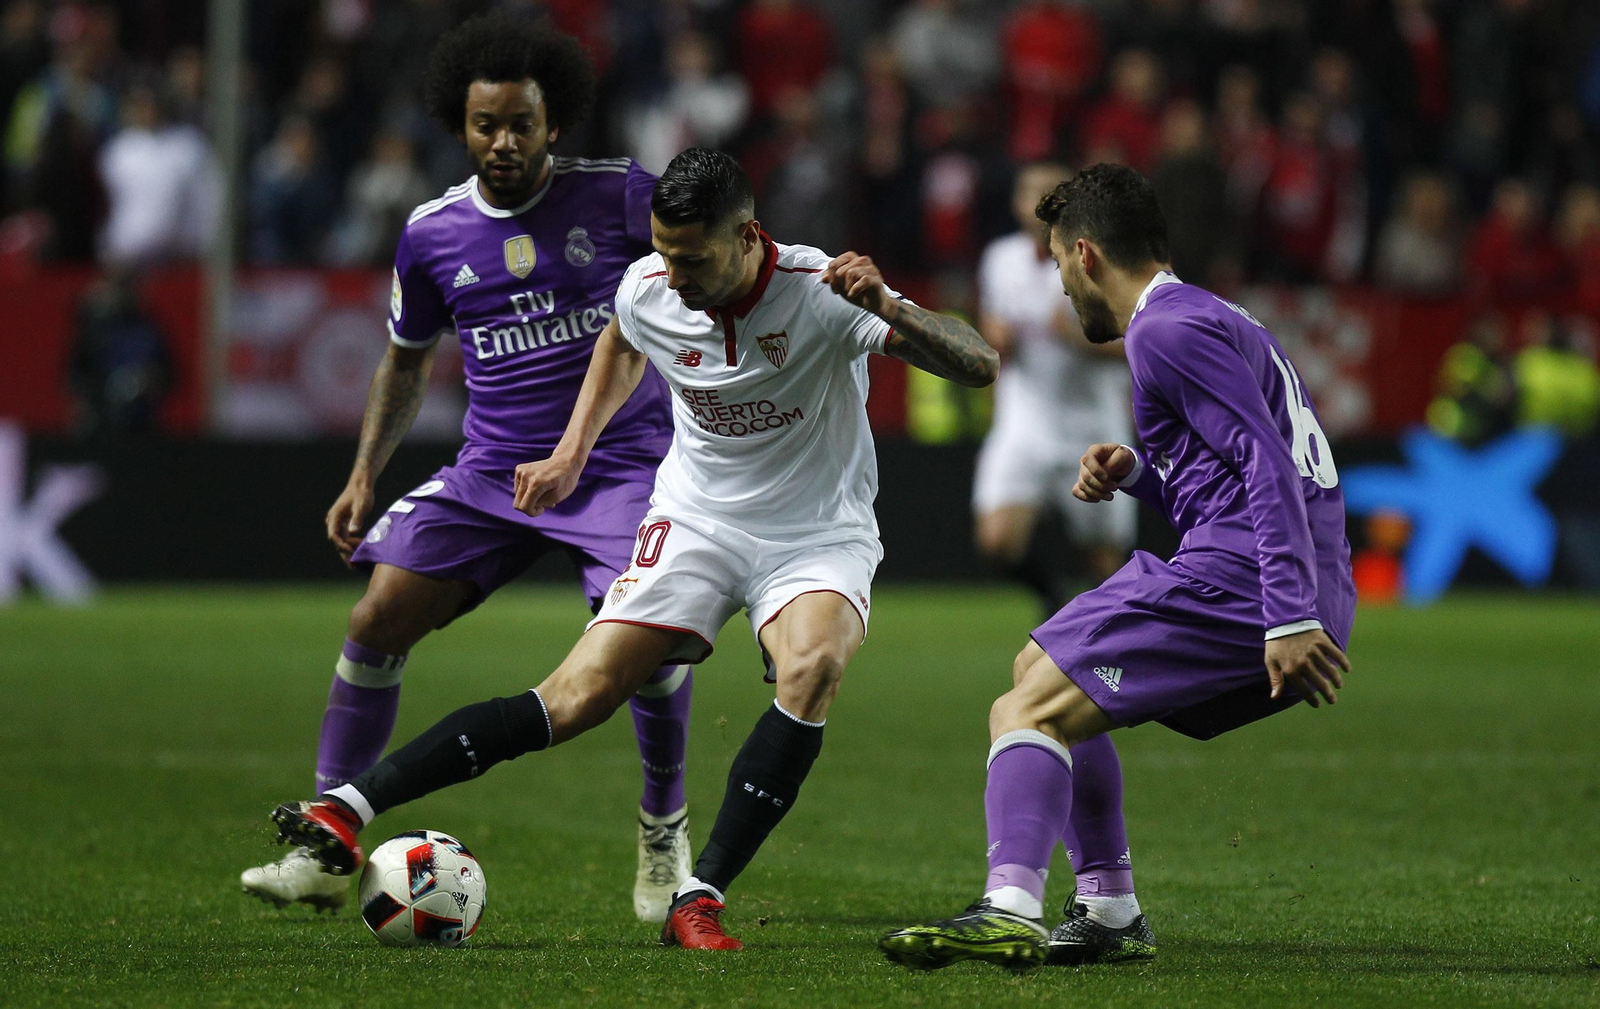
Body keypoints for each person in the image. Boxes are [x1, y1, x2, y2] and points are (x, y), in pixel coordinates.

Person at [258, 147, 999, 951]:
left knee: (812, 666)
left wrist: (893, 305)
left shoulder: (821, 292)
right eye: (663, 252)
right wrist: (574, 450)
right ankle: (349, 805)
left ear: (748, 236)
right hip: (695, 521)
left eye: (692, 257)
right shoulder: (650, 285)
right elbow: (619, 340)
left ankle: (698, 896)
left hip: (815, 532)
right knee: (573, 698)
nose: (673, 273)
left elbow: (980, 364)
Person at [240, 13, 697, 925]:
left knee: (646, 639)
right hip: (492, 473)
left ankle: (662, 830)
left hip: (620, 467)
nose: (504, 141)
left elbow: (694, 287)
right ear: (460, 124)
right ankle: (327, 842)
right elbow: (405, 360)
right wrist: (364, 473)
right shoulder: (432, 233)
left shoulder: (618, 199)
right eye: (487, 124)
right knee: (377, 615)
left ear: (553, 122)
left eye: (521, 123)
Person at [880, 163, 1354, 972]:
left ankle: (1011, 907)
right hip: (1267, 571)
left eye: (1059, 263)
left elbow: (1267, 462)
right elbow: (1241, 464)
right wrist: (1139, 470)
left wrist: (1288, 612)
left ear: (1087, 254)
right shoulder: (1208, 315)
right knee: (1041, 665)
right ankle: (1107, 907)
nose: (1060, 286)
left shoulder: (1162, 331)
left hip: (1247, 579)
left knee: (1025, 707)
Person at [973, 161, 1135, 613]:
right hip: (1024, 418)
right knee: (997, 541)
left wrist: (1082, 340)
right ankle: (1052, 595)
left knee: (1104, 561)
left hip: (1093, 422)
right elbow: (992, 323)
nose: (1039, 202)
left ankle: (1118, 655)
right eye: (1029, 191)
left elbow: (1140, 342)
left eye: (1051, 191)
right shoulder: (1000, 259)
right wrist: (995, 338)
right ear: (1016, 202)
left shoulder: (1104, 261)